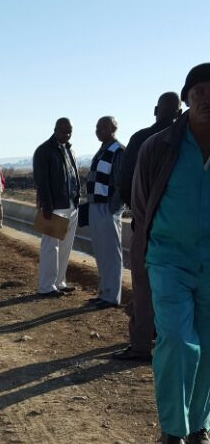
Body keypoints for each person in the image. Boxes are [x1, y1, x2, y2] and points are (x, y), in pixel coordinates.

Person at [133, 64, 210, 444]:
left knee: (208, 345)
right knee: (177, 341)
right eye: (199, 90)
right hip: (168, 259)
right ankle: (173, 430)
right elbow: (142, 206)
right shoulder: (160, 147)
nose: (207, 97)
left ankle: (199, 425)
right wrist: (145, 256)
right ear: (186, 97)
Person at [113, 92, 182, 361]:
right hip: (181, 225)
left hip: (145, 223)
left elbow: (125, 181)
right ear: (178, 113)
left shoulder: (142, 139)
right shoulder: (189, 140)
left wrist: (139, 213)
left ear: (156, 110)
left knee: (143, 285)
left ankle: (142, 344)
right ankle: (170, 340)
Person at [32, 118, 80, 297]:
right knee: (51, 246)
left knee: (66, 246)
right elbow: (41, 181)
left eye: (69, 132)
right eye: (63, 131)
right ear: (55, 129)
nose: (66, 135)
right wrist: (46, 205)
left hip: (71, 205)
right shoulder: (44, 151)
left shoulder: (70, 150)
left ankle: (59, 282)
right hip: (55, 206)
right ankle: (46, 286)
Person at [85, 117, 125, 308]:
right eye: (96, 127)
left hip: (107, 207)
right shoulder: (103, 149)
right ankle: (104, 292)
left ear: (113, 128)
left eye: (101, 127)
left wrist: (113, 208)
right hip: (96, 205)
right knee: (101, 252)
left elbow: (120, 183)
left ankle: (111, 297)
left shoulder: (118, 150)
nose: (97, 130)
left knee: (111, 253)